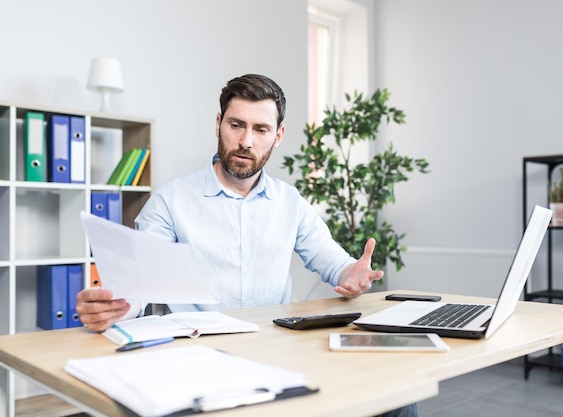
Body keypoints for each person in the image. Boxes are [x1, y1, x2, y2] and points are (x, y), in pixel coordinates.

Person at [76, 74, 417, 417]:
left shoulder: (290, 202)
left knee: (399, 396)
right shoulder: (172, 200)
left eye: (261, 130)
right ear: (218, 124)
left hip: (277, 353)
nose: (246, 141)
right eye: (236, 125)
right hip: (199, 360)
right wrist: (117, 306)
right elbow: (142, 280)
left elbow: (331, 261)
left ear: (278, 136)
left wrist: (351, 273)